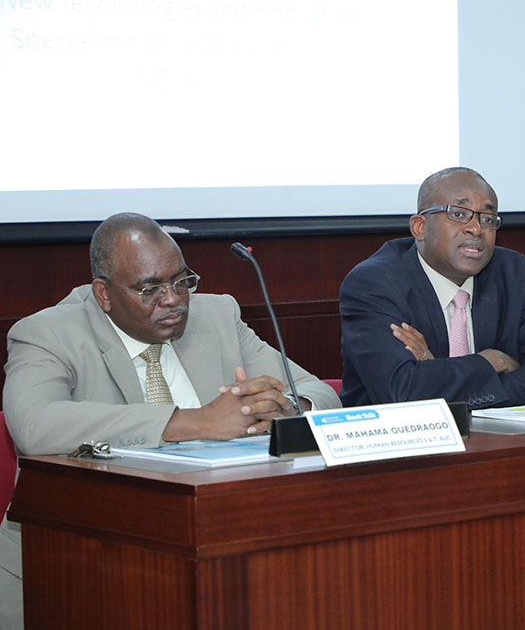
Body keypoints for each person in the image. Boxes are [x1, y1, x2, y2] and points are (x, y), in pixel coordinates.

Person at [0, 213, 342, 627]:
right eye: (150, 289)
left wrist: (287, 407)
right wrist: (196, 422)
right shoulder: (48, 334)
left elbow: (320, 393)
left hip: (218, 543)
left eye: (182, 281)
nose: (173, 300)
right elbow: (35, 425)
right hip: (71, 558)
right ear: (103, 294)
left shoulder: (217, 316)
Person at [339, 167, 525, 408]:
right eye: (458, 214)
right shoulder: (376, 283)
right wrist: (491, 362)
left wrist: (437, 373)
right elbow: (401, 393)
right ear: (420, 227)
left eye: (487, 219)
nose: (476, 229)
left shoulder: (511, 272)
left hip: (497, 439)